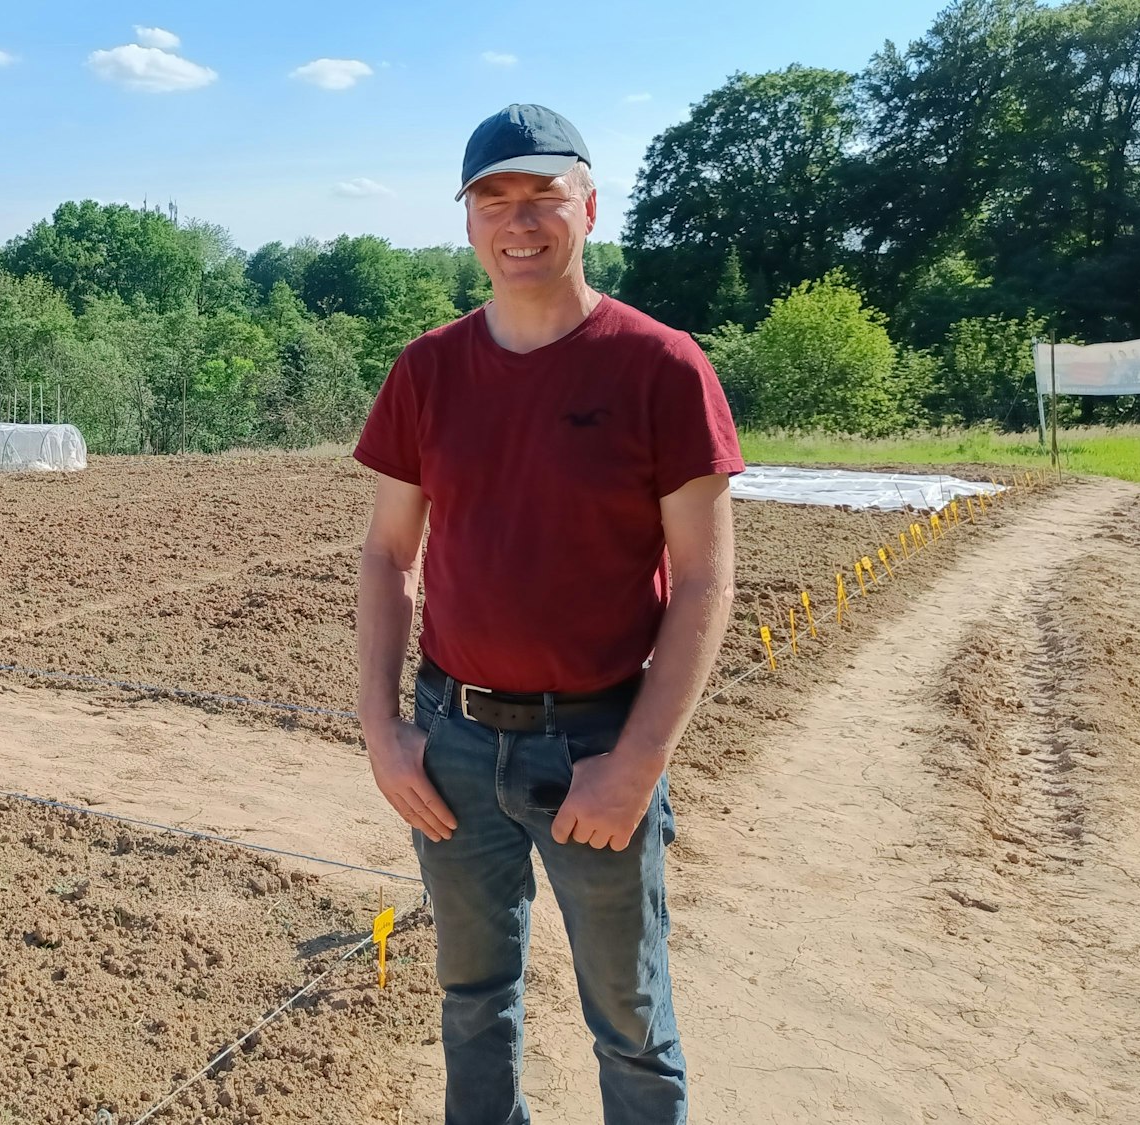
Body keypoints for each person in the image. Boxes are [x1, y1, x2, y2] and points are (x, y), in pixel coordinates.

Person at [352, 104, 743, 1125]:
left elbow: (703, 581)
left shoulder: (659, 367)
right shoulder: (425, 371)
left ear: (588, 207)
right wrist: (384, 732)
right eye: (493, 201)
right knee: (470, 1005)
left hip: (598, 745)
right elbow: (389, 553)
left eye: (540, 198)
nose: (517, 222)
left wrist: (636, 765)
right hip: (452, 746)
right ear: (468, 221)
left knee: (629, 1020)